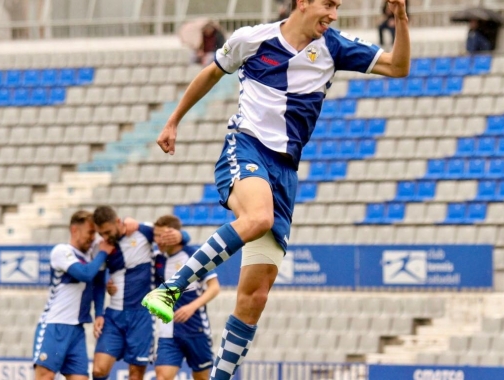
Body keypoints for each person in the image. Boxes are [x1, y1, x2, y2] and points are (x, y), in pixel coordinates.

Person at [142, 0, 411, 378]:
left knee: (255, 297)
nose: (334, 14)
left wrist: (400, 18)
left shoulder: (333, 47)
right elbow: (211, 73)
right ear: (303, 2)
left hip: (284, 172)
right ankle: (171, 289)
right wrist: (173, 122)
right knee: (258, 217)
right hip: (247, 147)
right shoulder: (252, 39)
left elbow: (399, 67)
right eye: (329, 4)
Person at [91, 206, 191, 380]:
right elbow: (98, 283)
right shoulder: (101, 247)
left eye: (107, 232)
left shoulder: (142, 231)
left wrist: (183, 236)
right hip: (114, 316)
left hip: (142, 317)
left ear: (118, 222)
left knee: (135, 374)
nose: (105, 237)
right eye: (101, 233)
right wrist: (99, 313)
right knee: (99, 370)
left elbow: (175, 237)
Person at [32, 211, 114, 380]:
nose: (93, 238)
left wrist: (99, 313)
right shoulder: (62, 251)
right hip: (55, 325)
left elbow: (98, 283)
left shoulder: (92, 255)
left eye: (95, 233)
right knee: (45, 376)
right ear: (74, 230)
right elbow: (85, 274)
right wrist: (103, 253)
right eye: (90, 232)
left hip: (77, 329)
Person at [151, 215, 221, 380]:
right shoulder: (157, 259)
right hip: (168, 332)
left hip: (195, 329)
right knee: (162, 377)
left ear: (174, 235)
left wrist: (191, 307)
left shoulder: (193, 255)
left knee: (202, 377)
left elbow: (214, 287)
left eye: (162, 236)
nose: (158, 240)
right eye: (156, 235)